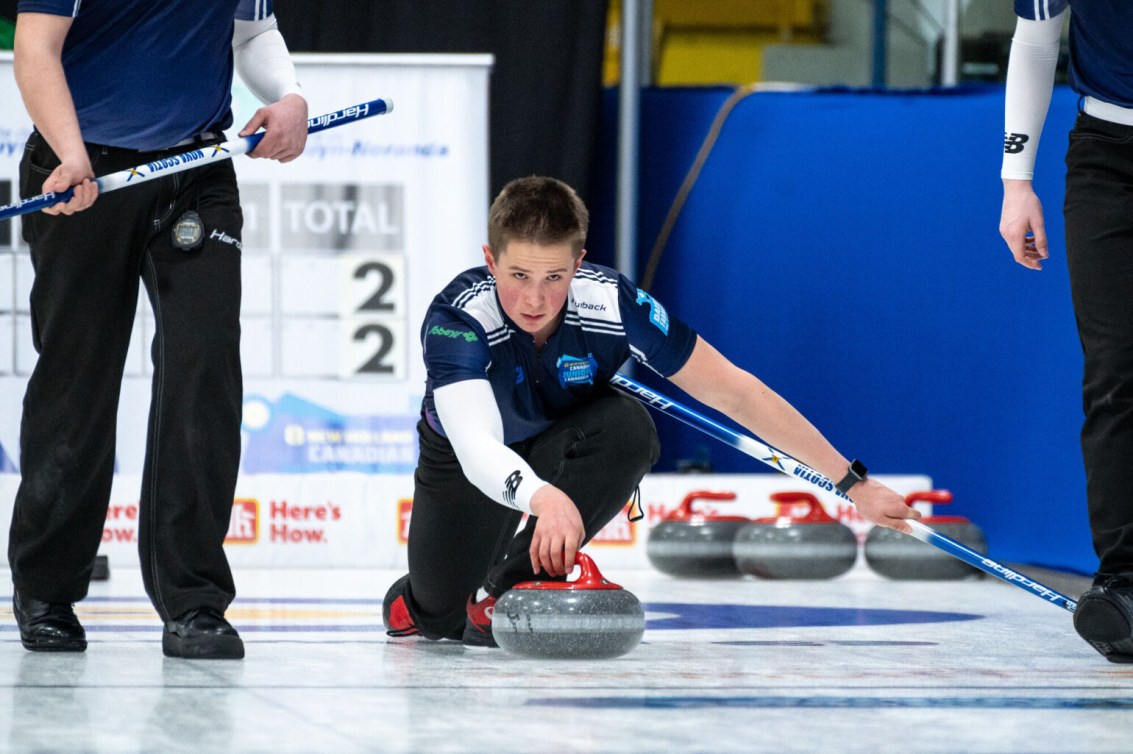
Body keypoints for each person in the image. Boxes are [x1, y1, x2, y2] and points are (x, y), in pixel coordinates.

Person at [383, 176, 921, 646]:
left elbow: (736, 392)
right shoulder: (458, 317)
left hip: (560, 437)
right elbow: (478, 446)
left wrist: (852, 484)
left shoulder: (614, 303)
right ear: (490, 259)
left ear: (579, 264)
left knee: (629, 425)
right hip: (469, 458)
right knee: (440, 620)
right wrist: (545, 499)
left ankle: (504, 589)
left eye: (554, 277)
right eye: (519, 275)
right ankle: (424, 601)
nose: (535, 300)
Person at [8, 0, 309, 659]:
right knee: (76, 379)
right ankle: (47, 593)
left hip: (195, 174)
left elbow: (253, 28)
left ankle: (195, 601)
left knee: (204, 371)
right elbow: (35, 49)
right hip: (80, 173)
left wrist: (288, 96)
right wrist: (70, 152)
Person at [999, 1, 1133, 663]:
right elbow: (1035, 39)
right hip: (1108, 158)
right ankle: (1123, 582)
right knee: (1114, 372)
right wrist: (1014, 180)